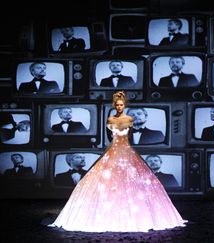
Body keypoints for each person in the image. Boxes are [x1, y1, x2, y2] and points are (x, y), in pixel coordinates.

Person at [48, 91, 187, 232]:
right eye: (117, 105)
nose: (119, 107)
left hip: (127, 150)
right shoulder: (110, 119)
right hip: (113, 149)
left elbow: (129, 137)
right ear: (114, 105)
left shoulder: (129, 119)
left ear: (124, 105)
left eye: (121, 105)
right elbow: (110, 138)